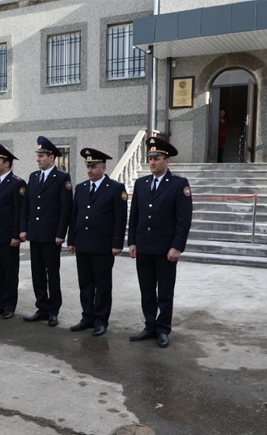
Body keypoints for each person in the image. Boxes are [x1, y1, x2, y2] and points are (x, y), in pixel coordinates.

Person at [128, 136, 193, 348]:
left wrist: (177, 246)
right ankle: (149, 326)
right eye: (151, 158)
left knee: (165, 291)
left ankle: (163, 328)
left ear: (167, 161)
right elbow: (135, 215)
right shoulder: (141, 183)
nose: (153, 162)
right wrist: (133, 242)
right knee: (147, 290)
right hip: (144, 247)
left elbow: (184, 218)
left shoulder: (178, 184)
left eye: (157, 158)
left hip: (166, 249)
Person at [67, 148, 127, 337]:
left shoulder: (116, 188)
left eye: (93, 166)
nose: (89, 170)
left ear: (103, 167)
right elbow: (74, 215)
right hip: (83, 244)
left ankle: (101, 319)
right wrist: (72, 239)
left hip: (103, 245)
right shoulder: (82, 188)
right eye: (88, 166)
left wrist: (117, 243)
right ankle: (87, 317)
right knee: (85, 283)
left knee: (102, 284)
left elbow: (120, 218)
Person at [20, 136, 73, 327]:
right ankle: (41, 307)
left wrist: (61, 233)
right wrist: (23, 229)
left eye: (41, 156)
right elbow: (27, 205)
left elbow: (65, 208)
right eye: (38, 155)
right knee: (37, 272)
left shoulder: (62, 178)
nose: (38, 159)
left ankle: (53, 310)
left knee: (52, 273)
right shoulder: (33, 177)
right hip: (35, 234)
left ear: (51, 158)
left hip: (51, 236)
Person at [0, 143, 26, 319]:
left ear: (7, 164)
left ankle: (10, 305)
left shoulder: (17, 183)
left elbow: (19, 211)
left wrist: (16, 234)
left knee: (10, 272)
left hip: (9, 237)